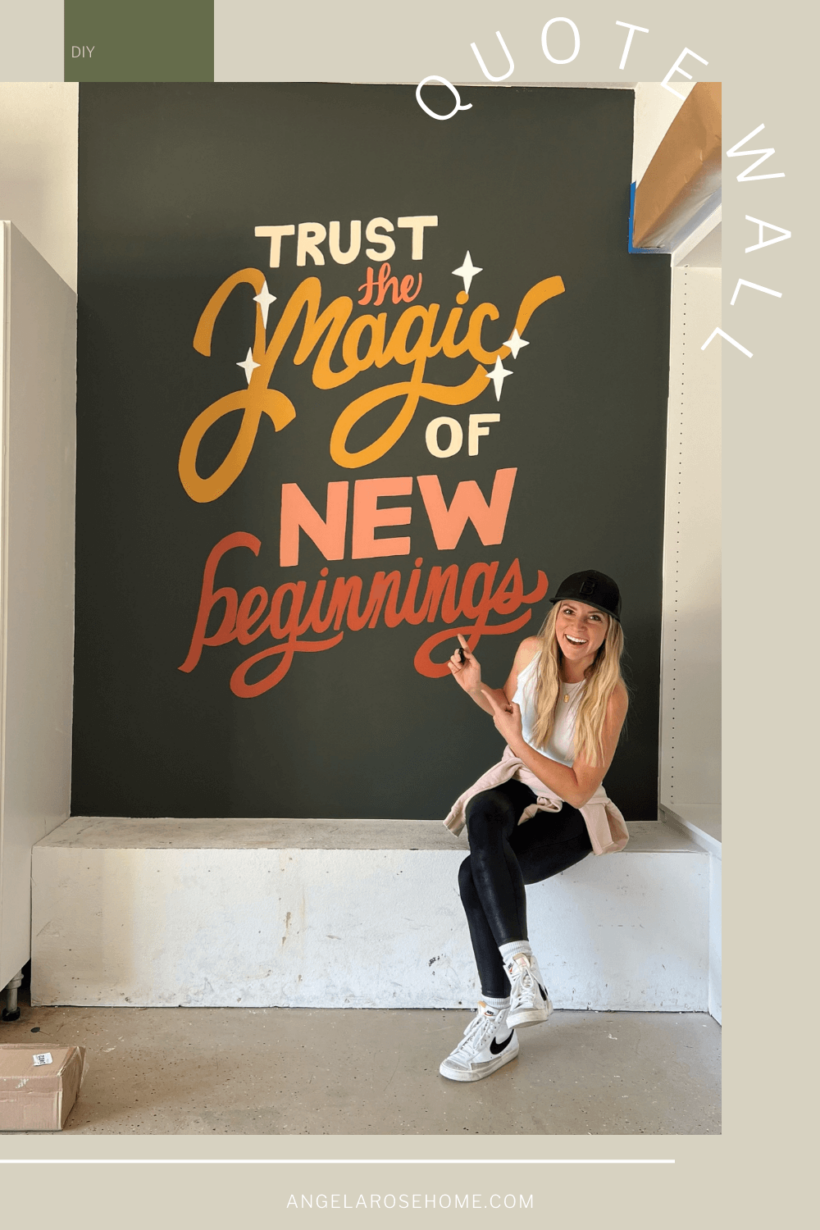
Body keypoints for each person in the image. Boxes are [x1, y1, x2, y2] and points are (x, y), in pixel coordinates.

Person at [439, 569, 630, 1082]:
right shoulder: (530, 652)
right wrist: (475, 687)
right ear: (555, 616)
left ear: (608, 631)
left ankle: (496, 1020)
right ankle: (524, 977)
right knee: (483, 808)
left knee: (469, 876)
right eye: (569, 611)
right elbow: (506, 709)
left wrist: (518, 744)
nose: (578, 625)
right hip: (522, 782)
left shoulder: (610, 695)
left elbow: (577, 789)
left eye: (594, 618)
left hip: (571, 809)